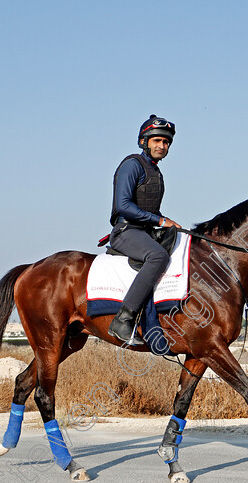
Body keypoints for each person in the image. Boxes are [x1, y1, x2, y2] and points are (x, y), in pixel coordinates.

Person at [107, 114, 181, 345]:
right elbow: (124, 206)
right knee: (157, 255)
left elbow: (150, 210)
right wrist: (160, 222)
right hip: (126, 232)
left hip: (145, 231)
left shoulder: (156, 172)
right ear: (144, 142)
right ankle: (123, 319)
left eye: (166, 142)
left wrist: (168, 221)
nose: (162, 145)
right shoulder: (132, 165)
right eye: (157, 140)